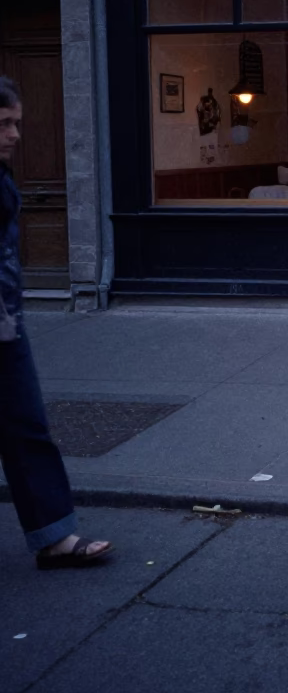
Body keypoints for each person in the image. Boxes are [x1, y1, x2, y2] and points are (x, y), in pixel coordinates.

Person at [0, 77, 113, 569]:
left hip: (5, 321)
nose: (15, 135)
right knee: (25, 427)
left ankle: (53, 536)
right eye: (5, 123)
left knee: (25, 428)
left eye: (18, 123)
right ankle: (54, 537)